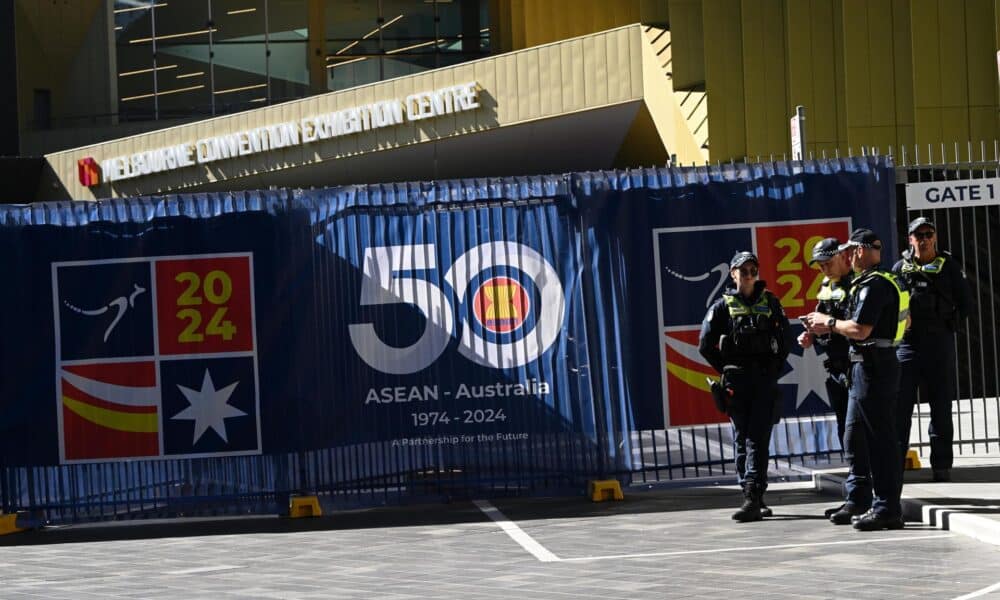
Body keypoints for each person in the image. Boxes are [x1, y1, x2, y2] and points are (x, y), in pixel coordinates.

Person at [804, 228, 909, 531]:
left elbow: (861, 330)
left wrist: (830, 323)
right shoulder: (887, 280)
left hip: (874, 364)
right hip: (872, 363)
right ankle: (875, 503)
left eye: (851, 250)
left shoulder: (873, 285)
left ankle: (887, 507)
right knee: (865, 438)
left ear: (861, 251)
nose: (847, 256)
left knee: (880, 441)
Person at [699, 251, 789, 522]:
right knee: (742, 439)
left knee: (757, 440)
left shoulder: (771, 303)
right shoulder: (721, 307)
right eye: (744, 270)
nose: (749, 275)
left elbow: (785, 342)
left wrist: (771, 370)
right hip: (737, 383)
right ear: (733, 274)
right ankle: (751, 495)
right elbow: (705, 345)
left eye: (753, 270)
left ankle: (754, 494)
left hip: (763, 381)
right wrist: (726, 369)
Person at [893, 217, 971, 482]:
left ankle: (941, 466)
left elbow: (966, 303)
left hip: (939, 343)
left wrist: (948, 323)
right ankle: (894, 465)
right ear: (910, 239)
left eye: (928, 234)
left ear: (935, 237)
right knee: (900, 408)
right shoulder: (900, 268)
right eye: (919, 235)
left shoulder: (949, 266)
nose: (924, 239)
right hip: (908, 345)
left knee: (941, 408)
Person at [797, 237, 864, 522]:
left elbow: (855, 326)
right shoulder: (826, 287)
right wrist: (810, 335)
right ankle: (854, 496)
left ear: (841, 257)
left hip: (854, 367)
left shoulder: (856, 286)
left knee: (856, 435)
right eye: (820, 264)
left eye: (827, 262)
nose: (824, 268)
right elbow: (823, 320)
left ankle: (860, 498)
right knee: (844, 433)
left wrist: (830, 328)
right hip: (833, 368)